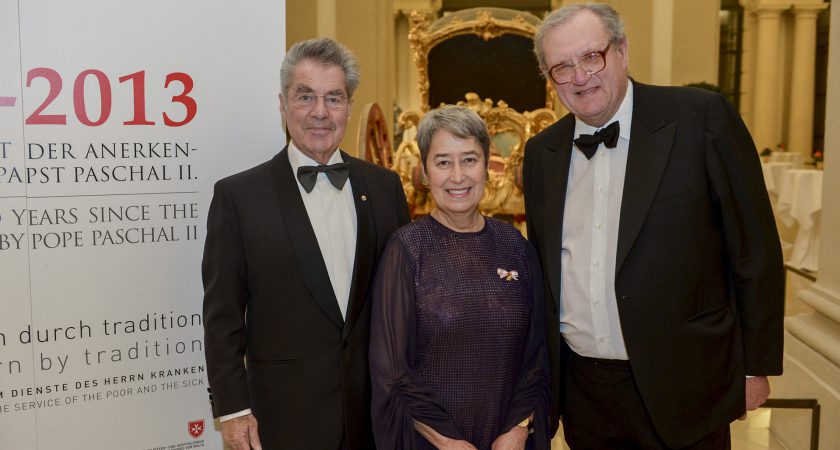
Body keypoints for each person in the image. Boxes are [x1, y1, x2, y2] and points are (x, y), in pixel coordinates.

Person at [523, 3, 784, 449]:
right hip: (585, 391)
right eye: (561, 67)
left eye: (591, 57)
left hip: (686, 381)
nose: (580, 77)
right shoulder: (541, 153)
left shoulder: (700, 118)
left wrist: (753, 367)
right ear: (550, 80)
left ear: (622, 50)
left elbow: (753, 248)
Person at [202, 37, 410, 450]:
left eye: (333, 98)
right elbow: (223, 315)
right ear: (283, 105)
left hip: (376, 417)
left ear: (350, 107)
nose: (319, 112)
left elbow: (404, 302)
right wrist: (233, 409)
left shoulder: (386, 188)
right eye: (305, 97)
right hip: (282, 419)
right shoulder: (238, 197)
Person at [370, 105, 551, 450]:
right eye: (443, 162)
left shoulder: (516, 246)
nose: (458, 176)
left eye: (469, 159)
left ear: (487, 165)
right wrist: (448, 442)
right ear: (424, 172)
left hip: (510, 443)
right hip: (432, 444)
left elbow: (538, 354)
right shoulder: (406, 249)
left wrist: (519, 428)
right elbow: (391, 369)